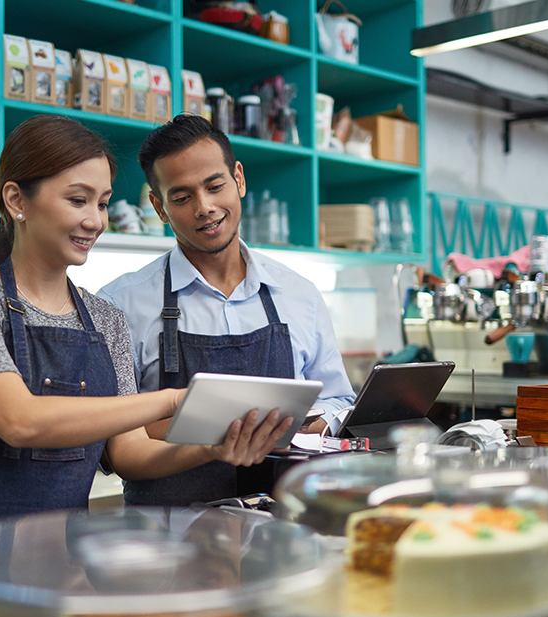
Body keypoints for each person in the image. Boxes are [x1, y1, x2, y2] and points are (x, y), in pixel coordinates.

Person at [0, 115, 292, 567]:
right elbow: (18, 420)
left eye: (102, 203)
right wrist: (174, 401)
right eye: (78, 200)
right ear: (17, 200)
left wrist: (210, 448)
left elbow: (129, 451)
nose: (95, 221)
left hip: (50, 563)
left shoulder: (105, 318)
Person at [98, 115, 355, 507]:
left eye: (215, 186)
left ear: (239, 179)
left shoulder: (298, 294)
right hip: (167, 544)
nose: (205, 207)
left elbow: (339, 403)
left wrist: (296, 424)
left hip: (283, 532)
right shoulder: (119, 304)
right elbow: (116, 440)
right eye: (182, 197)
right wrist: (234, 430)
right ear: (159, 207)